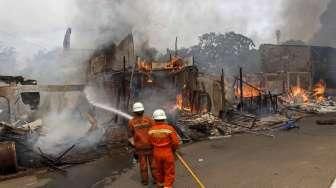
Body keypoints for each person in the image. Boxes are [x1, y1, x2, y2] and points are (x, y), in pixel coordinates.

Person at [148, 109, 180, 188]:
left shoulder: (151, 130)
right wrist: (174, 150)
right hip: (167, 153)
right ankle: (168, 186)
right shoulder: (169, 129)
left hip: (156, 153)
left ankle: (160, 184)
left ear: (154, 119)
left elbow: (150, 143)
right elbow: (175, 142)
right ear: (164, 118)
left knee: (159, 170)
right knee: (169, 171)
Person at [128, 102, 156, 185]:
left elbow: (130, 135)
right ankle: (156, 179)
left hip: (140, 148)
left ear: (134, 112)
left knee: (143, 166)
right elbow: (154, 130)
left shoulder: (131, 122)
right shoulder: (149, 119)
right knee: (153, 165)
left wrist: (133, 144)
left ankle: (145, 181)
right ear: (143, 110)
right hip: (150, 146)